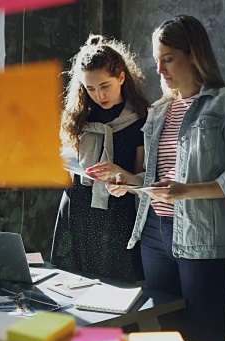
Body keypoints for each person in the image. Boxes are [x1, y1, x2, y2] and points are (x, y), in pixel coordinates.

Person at [105, 16, 225, 341]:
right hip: (154, 233)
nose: (160, 69)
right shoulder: (160, 110)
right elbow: (156, 178)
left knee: (202, 340)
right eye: (157, 59)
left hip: (201, 235)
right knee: (167, 339)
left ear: (194, 54)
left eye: (168, 58)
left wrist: (186, 192)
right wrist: (128, 181)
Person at [50, 34, 150, 283]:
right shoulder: (79, 119)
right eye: (90, 88)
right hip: (76, 210)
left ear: (122, 77)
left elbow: (143, 180)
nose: (98, 95)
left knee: (118, 300)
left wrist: (121, 177)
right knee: (71, 292)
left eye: (105, 86)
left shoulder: (140, 119)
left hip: (116, 216)